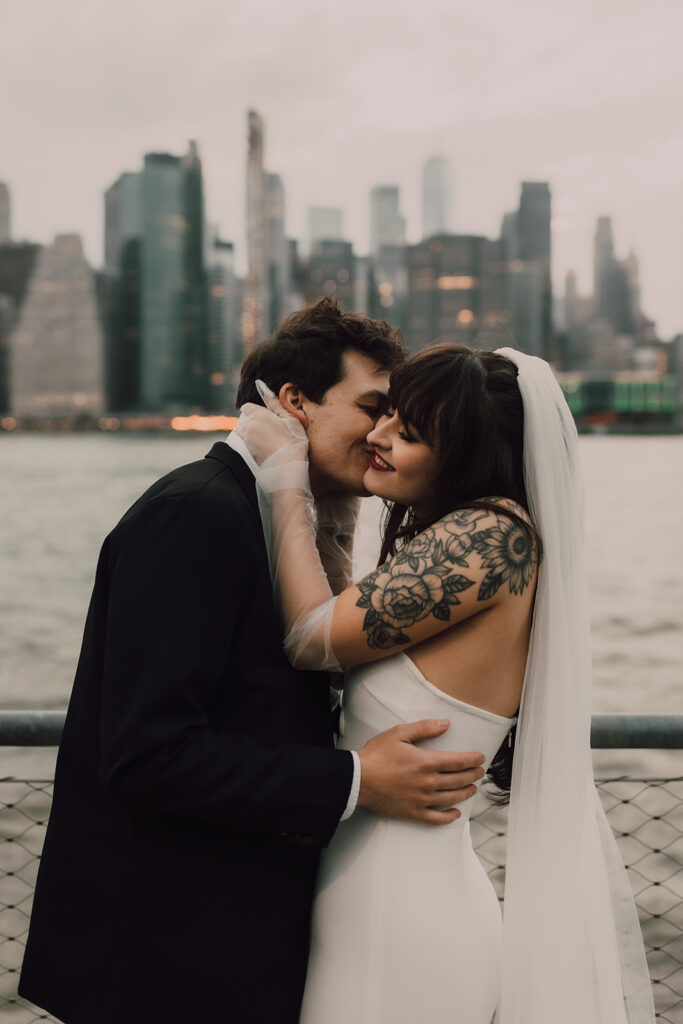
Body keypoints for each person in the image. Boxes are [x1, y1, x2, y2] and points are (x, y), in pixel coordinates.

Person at [18, 300, 486, 1024]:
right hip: (163, 959)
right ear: (294, 402)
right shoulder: (196, 513)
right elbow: (149, 753)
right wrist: (359, 779)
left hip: (230, 940)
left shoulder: (274, 516)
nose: (385, 433)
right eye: (372, 407)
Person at [237, 342, 655, 1024]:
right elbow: (349, 636)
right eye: (386, 417)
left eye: (408, 433)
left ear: (464, 452)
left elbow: (312, 639)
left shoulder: (486, 539)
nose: (377, 436)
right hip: (388, 900)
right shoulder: (476, 534)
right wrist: (335, 511)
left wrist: (286, 481)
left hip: (395, 921)